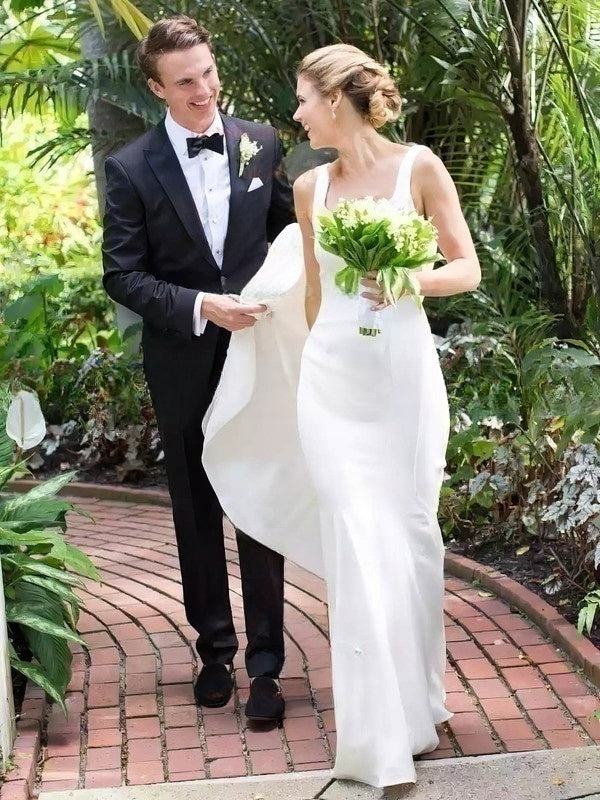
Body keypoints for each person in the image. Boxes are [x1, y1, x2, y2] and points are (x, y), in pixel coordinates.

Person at [202, 43, 481, 787]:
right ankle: (375, 739)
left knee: (409, 537)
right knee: (355, 540)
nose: (295, 114)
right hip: (330, 384)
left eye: (302, 98)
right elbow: (316, 296)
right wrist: (292, 372)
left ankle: (418, 704)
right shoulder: (309, 187)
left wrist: (409, 277)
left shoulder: (420, 167)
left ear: (335, 98)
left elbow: (466, 267)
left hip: (401, 382)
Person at [101, 15, 294, 722]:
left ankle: (267, 665)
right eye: (185, 81)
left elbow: (289, 234)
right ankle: (214, 650)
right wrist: (200, 306)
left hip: (257, 350)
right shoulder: (130, 167)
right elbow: (122, 274)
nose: (204, 90)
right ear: (157, 88)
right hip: (181, 357)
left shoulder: (260, 143)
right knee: (196, 502)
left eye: (208, 73)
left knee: (261, 498)